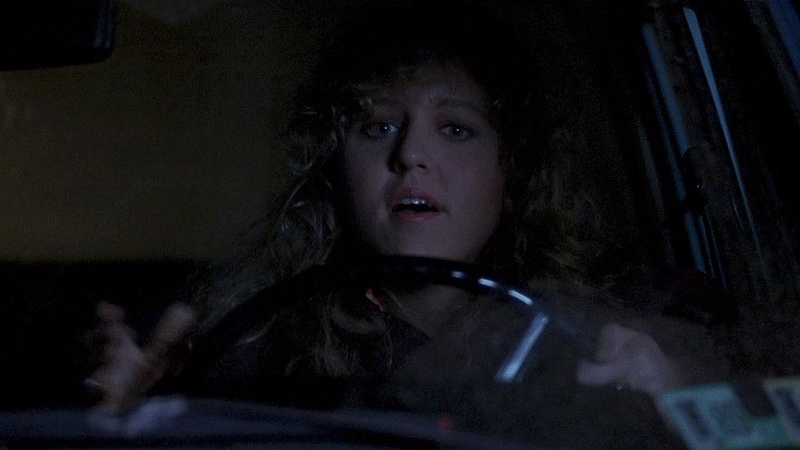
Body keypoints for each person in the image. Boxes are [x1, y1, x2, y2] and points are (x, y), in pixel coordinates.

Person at [88, 0, 727, 445]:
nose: (411, 154)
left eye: (456, 129)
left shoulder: (624, 321)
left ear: (512, 167)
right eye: (378, 127)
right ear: (336, 166)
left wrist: (685, 404)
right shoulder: (258, 352)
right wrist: (129, 421)